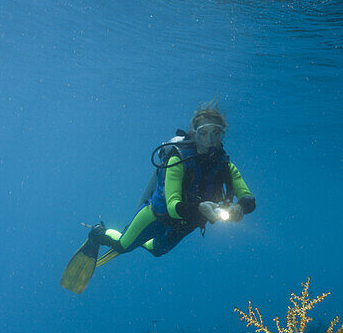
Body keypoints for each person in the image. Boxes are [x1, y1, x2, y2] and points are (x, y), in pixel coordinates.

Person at [61, 102, 256, 294]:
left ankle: (142, 241)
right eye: (204, 133)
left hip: (186, 224)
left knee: (157, 251)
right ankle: (98, 233)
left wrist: (239, 208)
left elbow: (248, 197)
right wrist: (200, 209)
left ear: (223, 135)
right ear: (194, 133)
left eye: (217, 133)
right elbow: (172, 205)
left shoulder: (225, 165)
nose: (210, 139)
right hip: (155, 216)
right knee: (123, 246)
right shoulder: (178, 158)